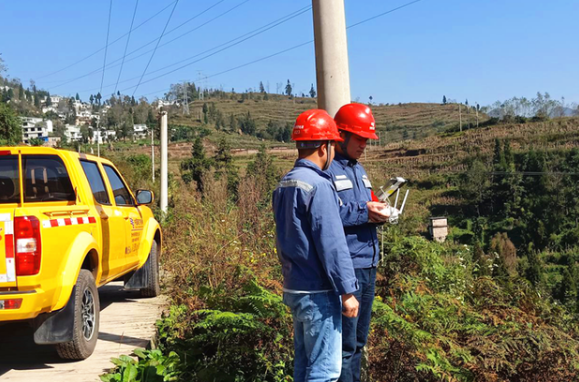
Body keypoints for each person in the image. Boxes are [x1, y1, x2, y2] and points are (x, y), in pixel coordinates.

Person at [273, 109, 360, 382]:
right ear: (325, 147)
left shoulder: (285, 182)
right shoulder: (319, 186)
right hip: (319, 291)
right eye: (333, 145)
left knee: (304, 366)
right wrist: (347, 292)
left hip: (295, 286)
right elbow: (332, 244)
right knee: (324, 372)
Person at [326, 103, 389, 382]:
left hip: (368, 264)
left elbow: (367, 204)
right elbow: (329, 213)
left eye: (367, 140)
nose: (365, 145)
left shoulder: (360, 169)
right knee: (346, 346)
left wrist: (379, 211)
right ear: (342, 135)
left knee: (359, 343)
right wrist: (366, 212)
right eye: (360, 138)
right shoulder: (327, 170)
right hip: (347, 267)